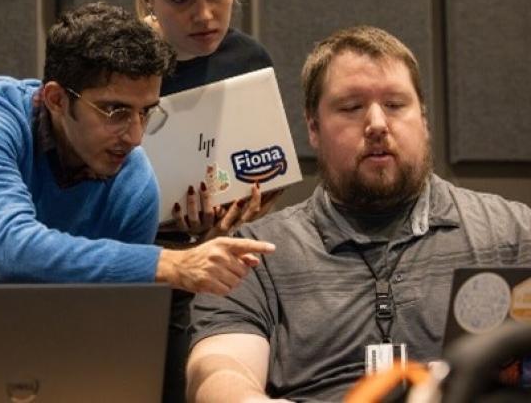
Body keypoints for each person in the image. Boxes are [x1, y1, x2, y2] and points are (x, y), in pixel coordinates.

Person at [186, 26, 531, 403]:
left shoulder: (512, 234)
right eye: (351, 107)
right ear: (314, 129)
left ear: (424, 120)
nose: (378, 124)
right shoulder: (253, 255)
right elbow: (219, 368)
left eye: (396, 105)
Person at [0, 2, 275, 294]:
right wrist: (171, 264)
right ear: (57, 99)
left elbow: (111, 318)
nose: (135, 136)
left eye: (146, 113)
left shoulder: (133, 180)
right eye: (115, 111)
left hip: (39, 352)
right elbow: (12, 250)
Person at [128, 0, 282, 402]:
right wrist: (170, 233)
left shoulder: (248, 58)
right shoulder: (118, 66)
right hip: (135, 282)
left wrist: (232, 216)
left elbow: (267, 171)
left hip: (228, 279)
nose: (205, 14)